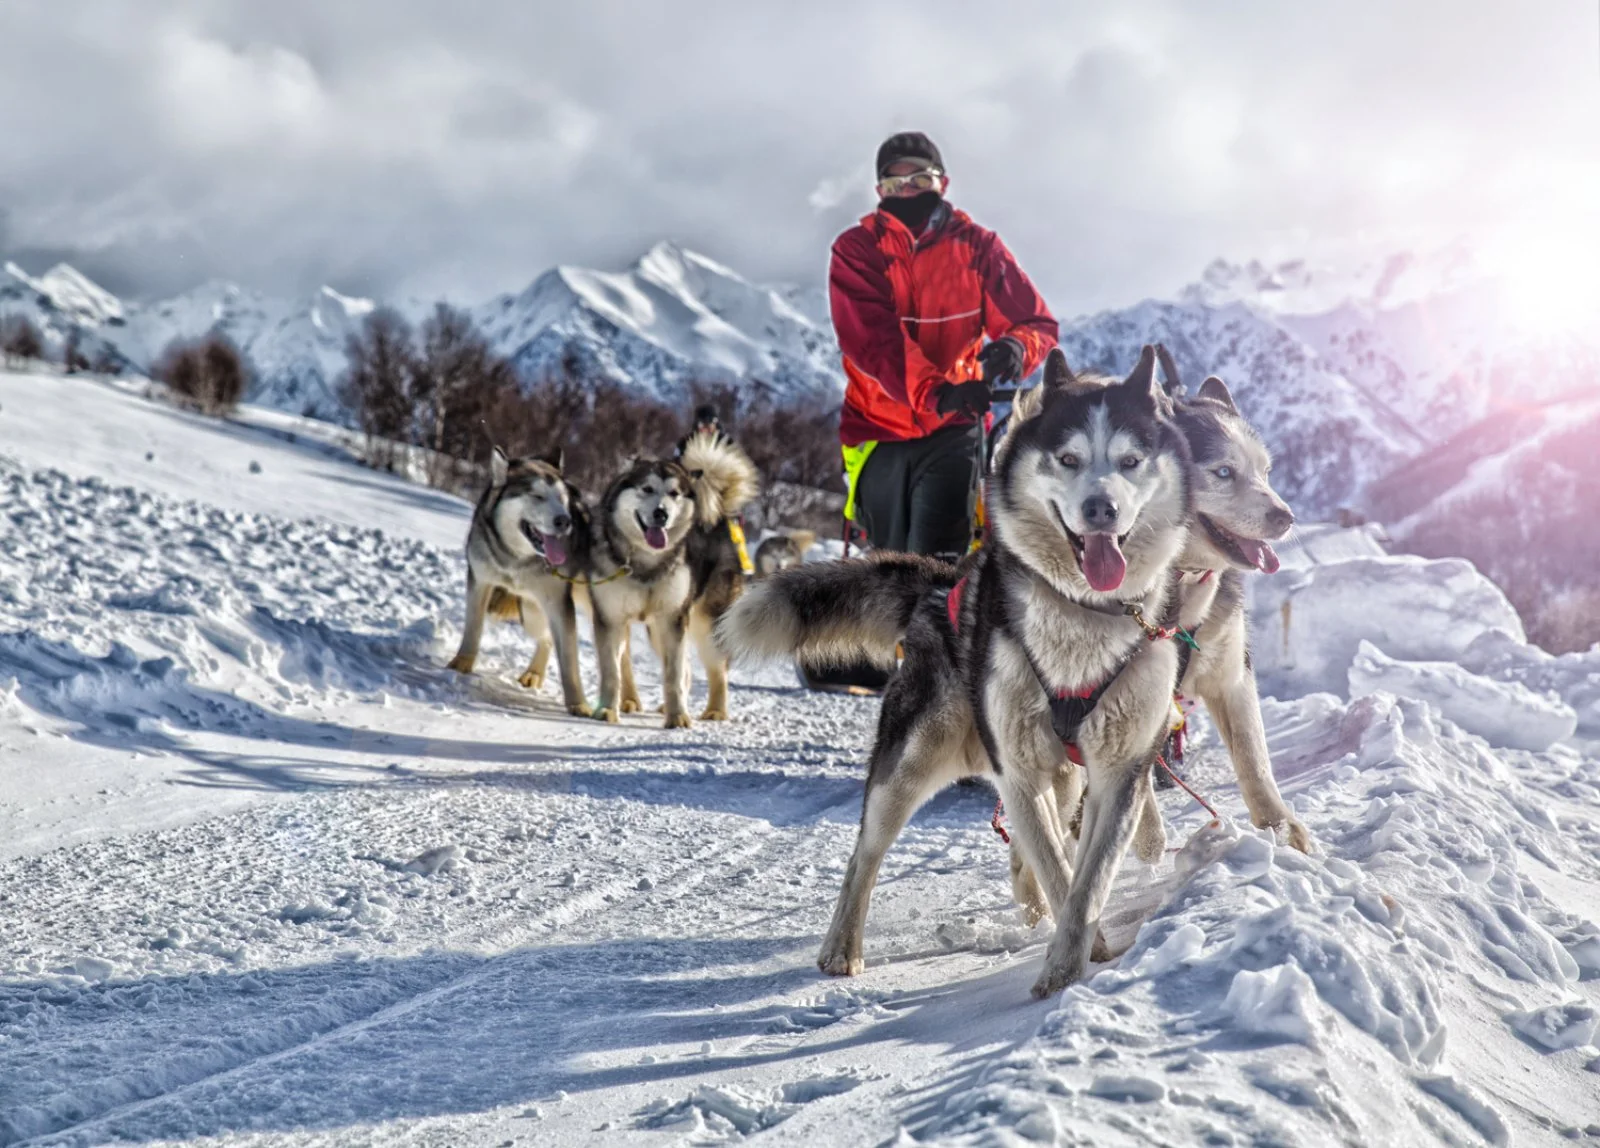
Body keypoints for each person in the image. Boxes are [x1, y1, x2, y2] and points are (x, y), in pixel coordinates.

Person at [802, 131, 1059, 693]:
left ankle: (939, 699)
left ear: (942, 182)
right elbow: (870, 344)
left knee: (938, 566)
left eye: (921, 179)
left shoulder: (977, 247)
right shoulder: (856, 249)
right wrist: (937, 390)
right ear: (879, 190)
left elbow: (1035, 323)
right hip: (878, 431)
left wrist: (1013, 350)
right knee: (892, 568)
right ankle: (897, 672)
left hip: (955, 431)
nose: (909, 189)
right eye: (896, 182)